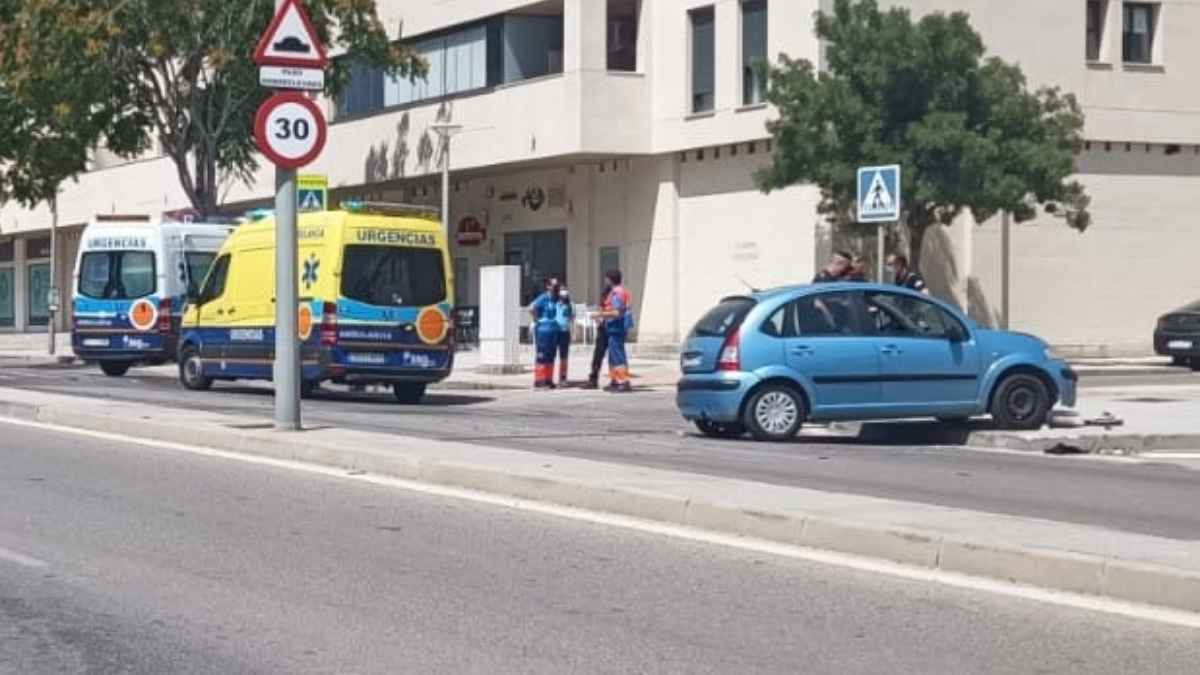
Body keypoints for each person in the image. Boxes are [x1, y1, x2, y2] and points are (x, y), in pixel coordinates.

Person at [599, 269, 633, 393]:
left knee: (618, 356)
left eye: (606, 278)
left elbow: (617, 312)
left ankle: (623, 381)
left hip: (616, 328)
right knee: (613, 356)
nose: (605, 281)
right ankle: (615, 380)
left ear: (610, 279)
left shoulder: (616, 293)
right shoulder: (620, 292)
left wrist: (600, 315)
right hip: (614, 328)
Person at [529, 277, 560, 388]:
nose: (556, 287)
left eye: (557, 285)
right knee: (542, 355)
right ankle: (539, 380)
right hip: (543, 330)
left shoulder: (557, 299)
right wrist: (536, 320)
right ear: (548, 286)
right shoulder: (543, 298)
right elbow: (532, 307)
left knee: (551, 355)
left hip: (554, 330)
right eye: (554, 285)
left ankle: (548, 379)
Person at [584, 285, 611, 390]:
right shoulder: (606, 295)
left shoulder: (616, 295)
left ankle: (616, 379)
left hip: (611, 328)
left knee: (613, 357)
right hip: (603, 328)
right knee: (597, 355)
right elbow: (601, 309)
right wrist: (599, 317)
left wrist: (600, 316)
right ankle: (593, 379)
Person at [553, 286, 575, 385]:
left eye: (565, 290)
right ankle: (550, 377)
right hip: (554, 332)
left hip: (565, 332)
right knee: (552, 355)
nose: (563, 293)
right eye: (561, 290)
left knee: (564, 356)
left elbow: (572, 320)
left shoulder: (570, 305)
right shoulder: (555, 304)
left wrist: (573, 333)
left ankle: (563, 377)